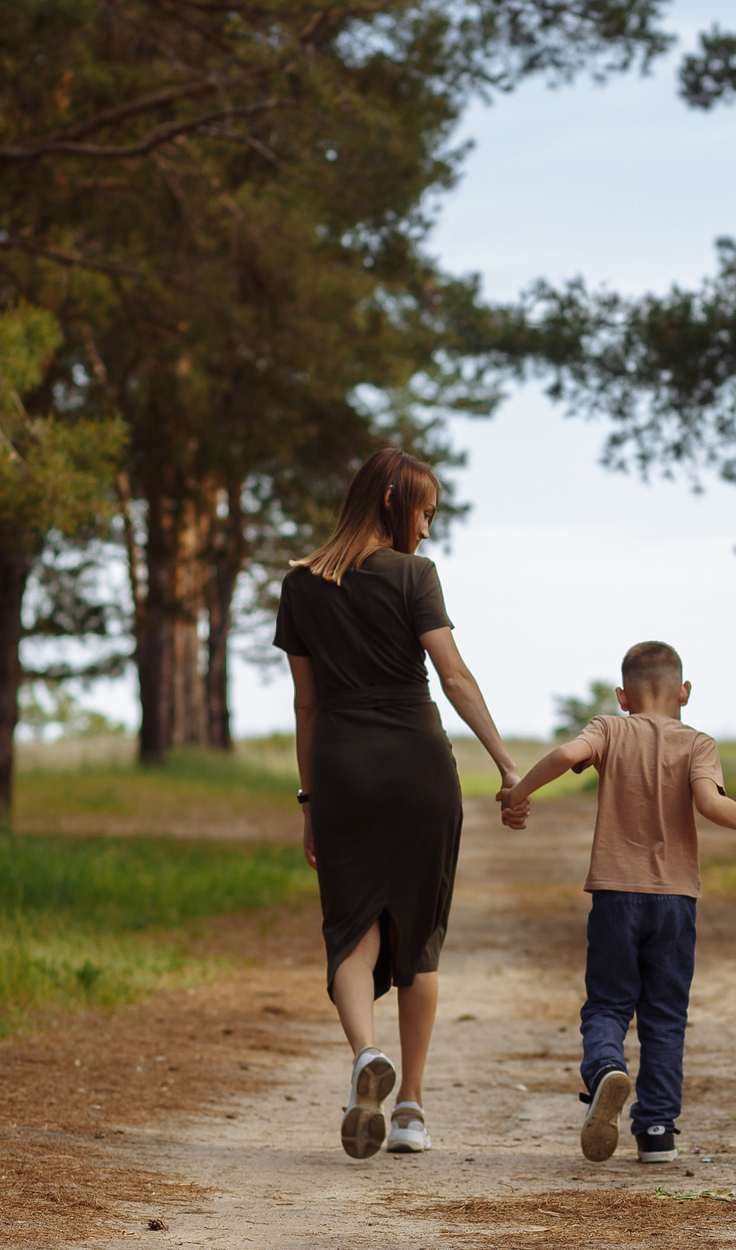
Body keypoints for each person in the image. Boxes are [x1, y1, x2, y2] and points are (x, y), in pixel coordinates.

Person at [274, 448, 524, 1159]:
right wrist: (506, 762)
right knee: (418, 940)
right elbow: (454, 676)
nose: (428, 527)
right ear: (392, 498)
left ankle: (365, 1053)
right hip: (420, 766)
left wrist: (310, 800)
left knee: (351, 931)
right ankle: (410, 1105)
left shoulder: (300, 583)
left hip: (342, 769)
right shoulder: (416, 576)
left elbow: (306, 704)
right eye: (426, 511)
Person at [500, 640, 736, 1164]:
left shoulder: (609, 729)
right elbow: (710, 803)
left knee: (609, 1004)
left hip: (615, 895)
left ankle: (606, 1069)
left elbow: (566, 756)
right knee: (665, 1014)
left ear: (622, 696)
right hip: (675, 901)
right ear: (684, 692)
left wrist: (518, 794)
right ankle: (657, 1129)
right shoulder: (697, 743)